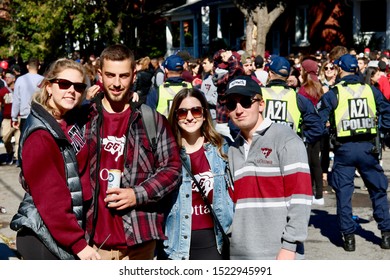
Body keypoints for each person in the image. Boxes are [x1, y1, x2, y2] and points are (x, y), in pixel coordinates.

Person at [85, 44, 182, 260]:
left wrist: (136, 195)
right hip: (94, 244)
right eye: (110, 75)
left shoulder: (150, 119)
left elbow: (173, 169)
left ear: (134, 75)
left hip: (140, 241)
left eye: (123, 76)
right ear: (100, 75)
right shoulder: (85, 119)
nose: (117, 83)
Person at [10, 58, 100, 260]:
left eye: (78, 86)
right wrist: (78, 244)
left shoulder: (68, 118)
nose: (71, 91)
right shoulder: (40, 135)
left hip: (65, 231)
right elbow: (51, 198)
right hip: (44, 236)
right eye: (64, 84)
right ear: (49, 87)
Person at [225, 75, 312, 259]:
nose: (239, 110)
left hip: (279, 253)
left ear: (261, 105)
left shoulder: (286, 139)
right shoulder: (233, 150)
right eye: (232, 104)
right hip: (240, 254)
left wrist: (289, 247)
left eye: (246, 102)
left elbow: (300, 199)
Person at [320, 54, 390, 251]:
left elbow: (318, 117)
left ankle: (349, 238)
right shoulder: (369, 90)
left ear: (341, 70)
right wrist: (384, 131)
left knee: (344, 193)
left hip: (344, 149)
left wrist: (326, 131)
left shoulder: (335, 92)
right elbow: (387, 110)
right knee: (377, 190)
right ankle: (386, 234)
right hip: (368, 148)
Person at [161, 87, 234, 260]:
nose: (189, 117)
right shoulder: (167, 153)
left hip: (215, 242)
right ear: (175, 115)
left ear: (204, 113)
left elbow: (234, 193)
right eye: (182, 112)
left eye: (196, 110)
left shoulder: (221, 149)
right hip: (176, 244)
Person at [298, 59, 325, 205]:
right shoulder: (319, 86)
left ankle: (309, 191)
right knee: (316, 162)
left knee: (308, 162)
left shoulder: (304, 89)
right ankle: (319, 193)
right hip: (320, 128)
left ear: (305, 71)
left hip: (308, 129)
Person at [11, 57, 44, 165]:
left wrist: (14, 117)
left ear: (27, 66)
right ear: (39, 67)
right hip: (40, 115)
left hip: (25, 115)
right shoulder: (43, 80)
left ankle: (23, 161)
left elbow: (16, 99)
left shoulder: (20, 80)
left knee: (24, 139)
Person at [0, 72, 19, 164]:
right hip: (7, 118)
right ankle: (10, 152)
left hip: (18, 117)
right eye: (5, 77)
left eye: (8, 77)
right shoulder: (2, 91)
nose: (6, 79)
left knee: (18, 139)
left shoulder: (19, 89)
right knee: (5, 137)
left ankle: (17, 157)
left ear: (14, 79)